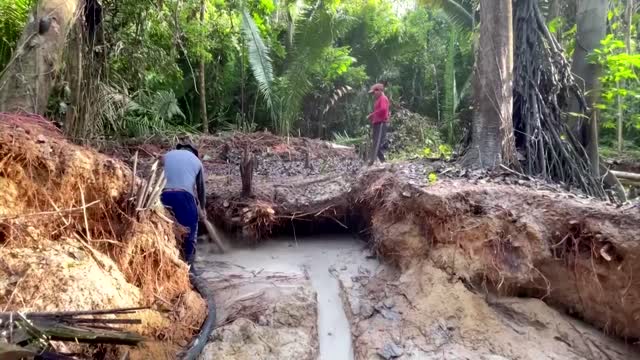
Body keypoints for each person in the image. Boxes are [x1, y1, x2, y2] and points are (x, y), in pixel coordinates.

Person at [161, 143, 206, 266]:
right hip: (184, 197)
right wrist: (202, 209)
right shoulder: (197, 161)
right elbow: (201, 189)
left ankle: (168, 260)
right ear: (194, 153)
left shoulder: (167, 155)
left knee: (165, 230)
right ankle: (189, 267)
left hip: (162, 196)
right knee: (190, 233)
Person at [367, 82, 390, 165]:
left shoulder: (383, 98)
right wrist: (373, 117)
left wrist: (372, 115)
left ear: (379, 90)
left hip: (381, 123)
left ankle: (375, 161)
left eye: (374, 92)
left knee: (378, 143)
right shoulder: (378, 100)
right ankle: (379, 161)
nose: (373, 95)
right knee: (375, 142)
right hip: (377, 123)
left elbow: (383, 110)